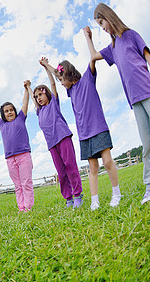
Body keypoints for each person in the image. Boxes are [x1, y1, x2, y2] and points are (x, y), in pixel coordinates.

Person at [41, 33, 122, 210]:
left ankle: (117, 193)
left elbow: (92, 59)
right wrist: (46, 65)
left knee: (107, 162)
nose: (61, 83)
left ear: (69, 74)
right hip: (84, 133)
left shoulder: (87, 78)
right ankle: (94, 200)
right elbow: (57, 74)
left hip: (98, 128)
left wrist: (88, 38)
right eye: (60, 80)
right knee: (92, 168)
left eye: (62, 80)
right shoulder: (71, 91)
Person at [85, 3, 150, 205]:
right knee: (147, 145)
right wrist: (89, 39)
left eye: (102, 22)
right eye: (99, 24)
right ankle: (149, 187)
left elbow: (147, 55)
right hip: (134, 100)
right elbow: (94, 56)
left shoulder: (130, 35)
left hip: (148, 90)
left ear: (109, 16)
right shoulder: (112, 47)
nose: (102, 27)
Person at [26, 58, 83, 208]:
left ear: (47, 95)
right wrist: (28, 88)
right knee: (61, 172)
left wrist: (46, 67)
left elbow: (52, 84)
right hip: (51, 144)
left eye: (41, 95)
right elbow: (32, 98)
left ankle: (78, 195)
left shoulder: (53, 103)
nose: (39, 98)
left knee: (70, 166)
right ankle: (68, 198)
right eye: (37, 96)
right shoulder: (39, 111)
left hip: (63, 137)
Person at [0, 82, 34, 212]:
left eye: (11, 110)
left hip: (24, 156)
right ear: (3, 114)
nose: (9, 112)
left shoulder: (20, 118)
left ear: (15, 111)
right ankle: (21, 208)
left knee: (26, 183)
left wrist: (26, 89)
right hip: (10, 159)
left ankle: (28, 207)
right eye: (6, 111)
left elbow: (25, 103)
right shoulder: (1, 124)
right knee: (17, 185)